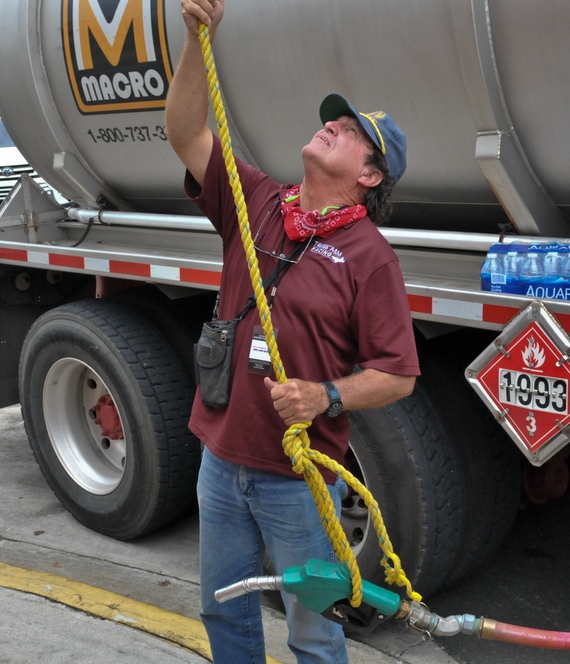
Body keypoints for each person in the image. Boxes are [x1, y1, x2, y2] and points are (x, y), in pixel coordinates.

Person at [166, 2, 421, 662]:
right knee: (221, 612)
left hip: (300, 482)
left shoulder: (371, 258)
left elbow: (398, 373)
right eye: (332, 120)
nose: (331, 124)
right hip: (221, 460)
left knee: (313, 631)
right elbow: (184, 130)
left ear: (369, 176)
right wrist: (199, 39)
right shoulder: (256, 202)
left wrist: (324, 397)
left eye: (351, 131)